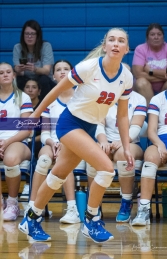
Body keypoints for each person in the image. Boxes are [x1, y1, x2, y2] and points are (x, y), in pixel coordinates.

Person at [18, 27, 135, 243]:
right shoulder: (89, 67)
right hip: (70, 123)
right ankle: (91, 220)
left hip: (89, 127)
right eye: (111, 40)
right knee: (107, 169)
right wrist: (35, 114)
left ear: (127, 49)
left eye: (121, 41)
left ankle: (30, 218)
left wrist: (127, 147)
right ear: (105, 45)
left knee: (57, 175)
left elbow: (122, 116)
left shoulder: (126, 78)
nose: (116, 44)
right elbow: (54, 91)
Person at [26, 60, 81, 223]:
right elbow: (44, 134)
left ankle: (72, 209)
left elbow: (84, 128)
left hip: (75, 144)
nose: (63, 72)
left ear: (73, 73)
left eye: (66, 69)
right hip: (53, 143)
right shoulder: (49, 101)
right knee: (43, 160)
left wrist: (67, 143)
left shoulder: (80, 98)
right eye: (58, 69)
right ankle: (33, 207)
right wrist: (51, 142)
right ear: (54, 76)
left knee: (65, 160)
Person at [132, 60, 167, 226]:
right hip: (159, 139)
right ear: (166, 76)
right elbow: (151, 130)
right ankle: (143, 210)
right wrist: (160, 145)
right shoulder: (157, 99)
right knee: (150, 159)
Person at [87, 89, 147, 222]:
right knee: (93, 153)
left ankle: (126, 202)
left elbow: (137, 126)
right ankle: (94, 206)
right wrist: (103, 141)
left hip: (130, 142)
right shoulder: (103, 96)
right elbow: (99, 123)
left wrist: (123, 142)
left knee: (122, 155)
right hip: (106, 140)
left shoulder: (139, 99)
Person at [0, 62, 33, 221]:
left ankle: (13, 202)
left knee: (11, 158)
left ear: (13, 75)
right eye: (1, 73)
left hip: (18, 141)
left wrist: (6, 143)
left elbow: (27, 130)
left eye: (8, 72)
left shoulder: (23, 97)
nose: (5, 75)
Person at [132, 23, 167, 105]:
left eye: (159, 34)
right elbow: (138, 74)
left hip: (165, 86)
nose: (156, 37)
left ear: (163, 37)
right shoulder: (140, 49)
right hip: (145, 87)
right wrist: (165, 76)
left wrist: (151, 71)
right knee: (141, 82)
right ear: (147, 38)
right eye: (152, 34)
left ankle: (164, 111)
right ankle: (151, 112)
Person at [13, 19, 56, 100]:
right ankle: (20, 106)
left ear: (38, 35)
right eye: (27, 34)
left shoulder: (46, 46)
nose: (29, 36)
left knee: (44, 80)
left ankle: (44, 108)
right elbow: (20, 73)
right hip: (26, 78)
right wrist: (17, 70)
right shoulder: (17, 47)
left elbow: (46, 70)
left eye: (32, 34)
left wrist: (35, 69)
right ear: (23, 35)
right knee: (17, 80)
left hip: (42, 79)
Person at [20, 78, 42, 199]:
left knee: (36, 147)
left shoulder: (43, 107)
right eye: (27, 87)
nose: (30, 90)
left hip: (38, 139)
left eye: (34, 87)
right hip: (23, 139)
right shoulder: (20, 104)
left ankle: (31, 185)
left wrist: (32, 139)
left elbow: (46, 129)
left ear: (39, 91)